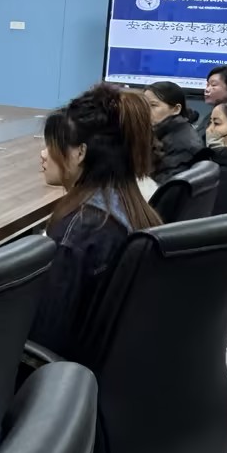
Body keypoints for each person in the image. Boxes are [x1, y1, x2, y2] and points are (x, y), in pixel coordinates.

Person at [31, 83, 161, 361]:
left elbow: (46, 334)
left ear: (80, 153)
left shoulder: (81, 227)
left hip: (61, 373)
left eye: (52, 145)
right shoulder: (132, 204)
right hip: (113, 364)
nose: (43, 154)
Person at [144, 80, 203, 183]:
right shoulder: (159, 133)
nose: (145, 110)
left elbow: (166, 187)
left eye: (153, 105)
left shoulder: (182, 145)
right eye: (143, 105)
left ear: (176, 109)